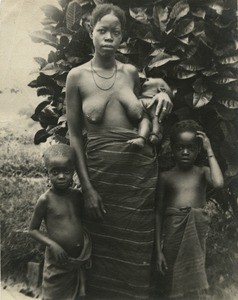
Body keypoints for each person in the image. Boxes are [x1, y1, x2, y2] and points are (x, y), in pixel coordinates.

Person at [66, 3, 173, 299]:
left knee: (135, 254)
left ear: (123, 36)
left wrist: (164, 93)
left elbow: (155, 97)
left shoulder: (130, 72)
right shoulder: (76, 77)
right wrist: (86, 188)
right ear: (91, 33)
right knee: (100, 256)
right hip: (102, 178)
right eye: (102, 31)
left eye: (115, 32)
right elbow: (75, 135)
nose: (108, 37)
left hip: (137, 181)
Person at [156, 120, 224, 299]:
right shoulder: (166, 177)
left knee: (193, 284)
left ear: (198, 148)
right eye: (180, 147)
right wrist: (158, 250)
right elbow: (158, 214)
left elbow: (218, 183)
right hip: (172, 236)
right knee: (171, 282)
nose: (185, 152)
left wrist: (209, 149)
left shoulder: (202, 172)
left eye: (191, 148)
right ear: (172, 148)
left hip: (195, 236)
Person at [28, 144, 92, 300]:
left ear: (73, 173)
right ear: (47, 173)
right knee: (53, 295)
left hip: (78, 260)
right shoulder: (45, 200)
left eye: (67, 172)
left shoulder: (77, 196)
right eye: (55, 172)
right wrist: (52, 244)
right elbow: (32, 230)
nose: (61, 176)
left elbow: (80, 222)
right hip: (57, 262)